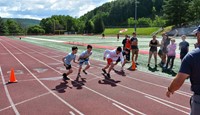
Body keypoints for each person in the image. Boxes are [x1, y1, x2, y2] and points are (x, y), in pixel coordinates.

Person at [166, 25, 200, 115]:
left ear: (199, 35)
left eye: (196, 34)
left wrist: (170, 89)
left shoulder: (192, 56)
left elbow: (179, 80)